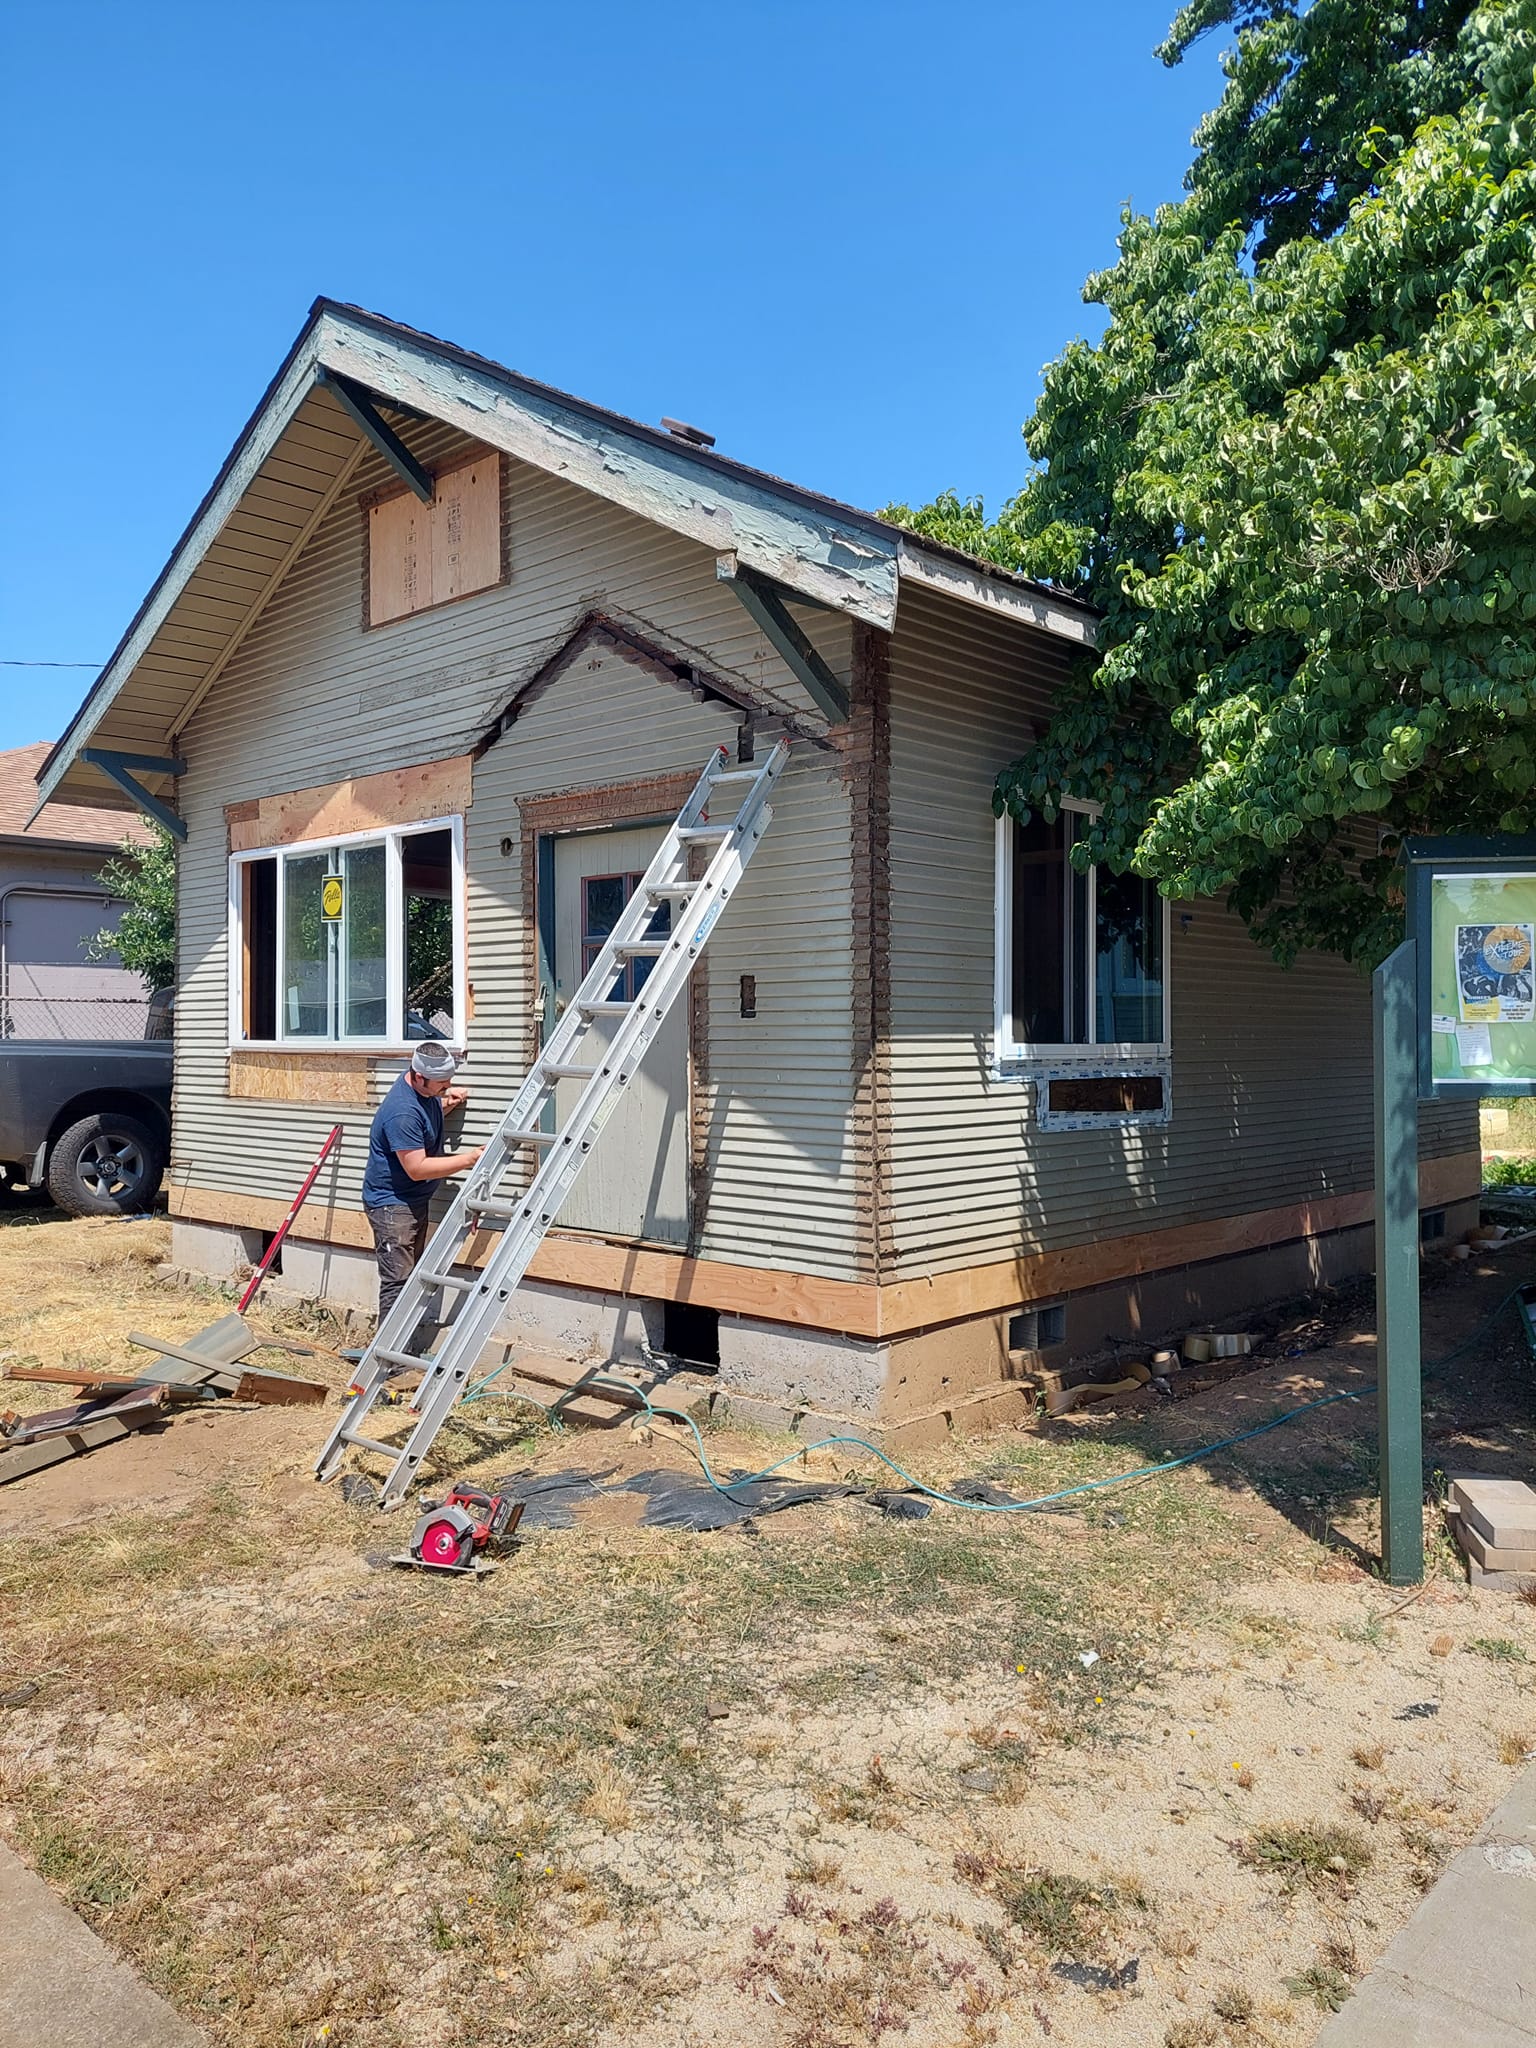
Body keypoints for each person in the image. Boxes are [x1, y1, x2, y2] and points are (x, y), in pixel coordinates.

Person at [362, 1043, 484, 1325]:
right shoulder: (401, 1112)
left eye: (449, 1081)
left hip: (412, 1199)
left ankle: (400, 1344)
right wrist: (469, 1159)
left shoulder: (419, 1091)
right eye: (442, 1083)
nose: (447, 1086)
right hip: (392, 1205)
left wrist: (444, 1102)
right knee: (398, 1278)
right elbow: (417, 1168)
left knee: (410, 1273)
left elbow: (423, 1116)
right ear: (418, 1077)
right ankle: (384, 1356)